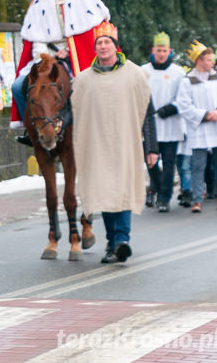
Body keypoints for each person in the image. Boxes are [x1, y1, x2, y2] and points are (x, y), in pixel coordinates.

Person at [72, 22, 158, 264]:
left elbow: (146, 111)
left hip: (126, 145)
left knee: (123, 191)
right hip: (98, 147)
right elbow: (75, 110)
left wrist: (152, 148)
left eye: (107, 42)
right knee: (105, 194)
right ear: (95, 49)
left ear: (116, 47)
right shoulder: (84, 79)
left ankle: (122, 240)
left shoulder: (134, 74)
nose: (102, 46)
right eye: (99, 43)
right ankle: (113, 242)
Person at [11, 0, 110, 145]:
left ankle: (96, 127)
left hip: (76, 55)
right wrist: (46, 58)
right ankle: (31, 129)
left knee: (89, 87)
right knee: (17, 86)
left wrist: (71, 51)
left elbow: (91, 31)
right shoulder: (39, 3)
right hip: (47, 56)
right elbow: (36, 38)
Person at [175, 40, 217, 213]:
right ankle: (197, 199)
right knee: (198, 166)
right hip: (199, 129)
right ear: (199, 61)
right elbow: (183, 105)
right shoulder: (188, 81)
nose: (212, 63)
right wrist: (204, 115)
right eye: (208, 60)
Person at [141, 32, 186, 212]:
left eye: (164, 50)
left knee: (168, 163)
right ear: (153, 50)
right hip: (150, 126)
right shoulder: (143, 71)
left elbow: (184, 96)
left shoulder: (178, 72)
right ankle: (157, 187)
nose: (161, 53)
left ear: (170, 51)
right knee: (151, 162)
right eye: (158, 50)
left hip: (170, 124)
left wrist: (171, 108)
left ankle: (165, 198)